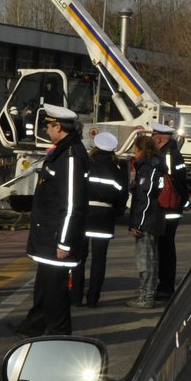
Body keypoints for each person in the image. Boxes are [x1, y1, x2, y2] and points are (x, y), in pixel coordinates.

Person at [7, 105, 87, 337]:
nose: (47, 130)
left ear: (58, 127)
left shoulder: (71, 156)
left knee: (55, 291)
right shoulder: (61, 151)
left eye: (49, 126)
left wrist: (64, 242)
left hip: (56, 236)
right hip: (48, 233)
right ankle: (33, 326)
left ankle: (60, 335)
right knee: (44, 286)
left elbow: (72, 202)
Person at [73, 130, 127, 307]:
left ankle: (75, 296)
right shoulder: (118, 171)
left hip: (85, 213)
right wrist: (116, 211)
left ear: (95, 148)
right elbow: (122, 197)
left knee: (79, 258)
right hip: (105, 216)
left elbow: (77, 189)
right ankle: (93, 298)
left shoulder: (87, 165)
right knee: (99, 259)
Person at [150, 121, 191, 301]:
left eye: (153, 135)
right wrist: (185, 200)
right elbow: (182, 181)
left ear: (159, 138)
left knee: (164, 248)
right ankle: (165, 285)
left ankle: (165, 287)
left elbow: (171, 180)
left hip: (167, 207)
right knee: (166, 247)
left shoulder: (166, 155)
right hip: (173, 206)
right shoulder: (174, 152)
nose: (152, 138)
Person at [126, 135, 165, 310]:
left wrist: (137, 223)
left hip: (147, 220)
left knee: (145, 260)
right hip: (154, 218)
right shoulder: (156, 164)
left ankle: (146, 296)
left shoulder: (148, 167)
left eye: (135, 149)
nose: (134, 153)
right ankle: (147, 293)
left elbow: (145, 198)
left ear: (141, 149)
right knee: (152, 259)